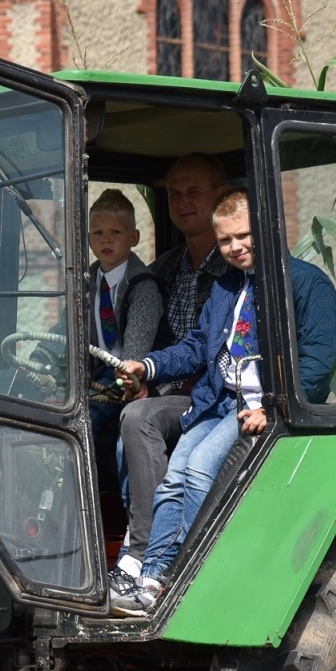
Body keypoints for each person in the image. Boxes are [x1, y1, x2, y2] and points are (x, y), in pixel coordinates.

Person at [109, 187, 336, 615]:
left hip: (259, 405)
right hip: (219, 402)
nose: (235, 247)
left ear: (267, 229)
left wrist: (275, 408)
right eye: (226, 240)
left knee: (196, 470)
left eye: (243, 236)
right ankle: (151, 573)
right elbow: (198, 345)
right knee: (174, 475)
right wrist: (149, 366)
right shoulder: (227, 287)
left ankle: (180, 571)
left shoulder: (306, 283)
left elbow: (318, 361)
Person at [111, 154, 230, 579]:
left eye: (193, 192)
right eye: (174, 194)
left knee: (137, 421)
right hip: (166, 394)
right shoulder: (163, 270)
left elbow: (207, 351)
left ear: (221, 197)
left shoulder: (235, 272)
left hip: (212, 399)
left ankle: (149, 552)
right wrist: (140, 373)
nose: (182, 202)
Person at [83, 189, 163, 484]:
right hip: (95, 373)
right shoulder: (87, 281)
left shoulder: (142, 287)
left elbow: (134, 356)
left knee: (77, 424)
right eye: (98, 232)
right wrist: (43, 356)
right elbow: (67, 326)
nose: (106, 239)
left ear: (134, 238)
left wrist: (127, 376)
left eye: (115, 232)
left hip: (130, 378)